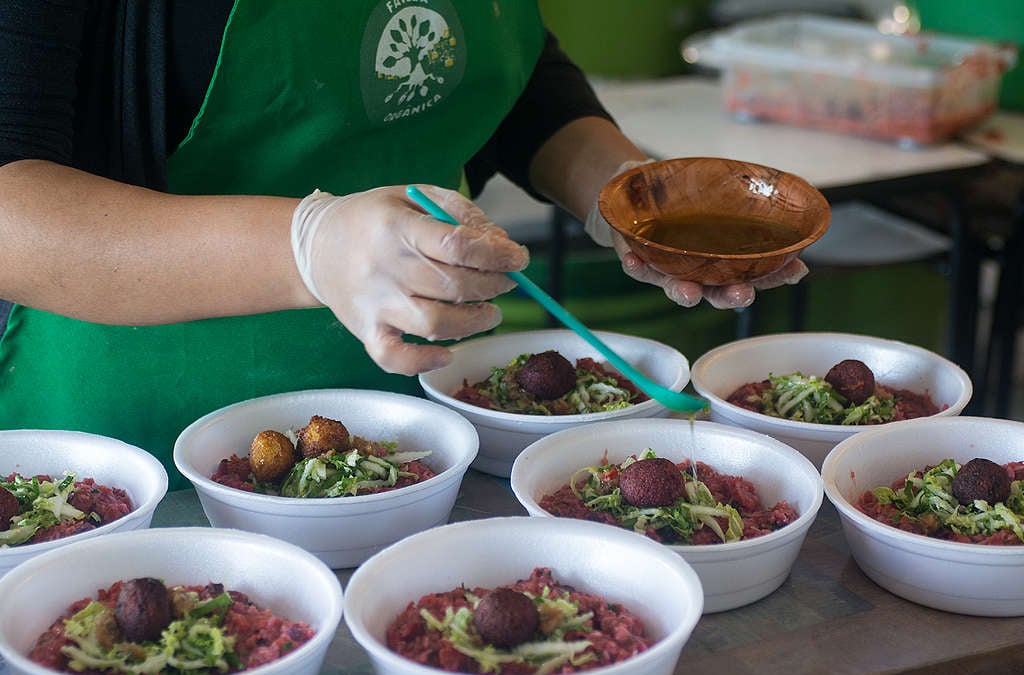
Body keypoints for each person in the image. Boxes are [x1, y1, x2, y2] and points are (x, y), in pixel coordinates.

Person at [0, 1, 806, 489]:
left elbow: (498, 64)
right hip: (135, 452)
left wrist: (625, 191)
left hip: (418, 441)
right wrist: (307, 245)